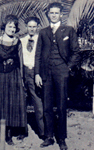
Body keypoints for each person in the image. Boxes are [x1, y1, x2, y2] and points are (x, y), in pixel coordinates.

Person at [35, 2, 80, 150]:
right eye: (51, 13)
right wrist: (37, 74)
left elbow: (76, 52)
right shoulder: (43, 32)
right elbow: (38, 55)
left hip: (62, 72)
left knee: (61, 106)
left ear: (61, 15)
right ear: (48, 14)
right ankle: (48, 137)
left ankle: (61, 138)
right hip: (46, 72)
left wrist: (67, 68)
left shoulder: (68, 30)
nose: (53, 15)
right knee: (47, 105)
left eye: (56, 13)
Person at [0, 15, 27, 145]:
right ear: (4, 27)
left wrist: (22, 79)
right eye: (9, 26)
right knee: (0, 103)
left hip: (14, 76)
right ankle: (2, 134)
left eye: (14, 27)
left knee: (11, 104)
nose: (12, 29)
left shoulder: (18, 42)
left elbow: (21, 61)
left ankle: (9, 135)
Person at [20, 17, 44, 140]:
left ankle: (42, 132)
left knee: (37, 102)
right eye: (30, 26)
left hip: (36, 72)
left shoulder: (41, 40)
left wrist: (38, 73)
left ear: (37, 27)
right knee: (22, 101)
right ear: (26, 27)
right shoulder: (21, 41)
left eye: (34, 26)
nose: (32, 29)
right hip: (24, 72)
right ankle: (23, 130)